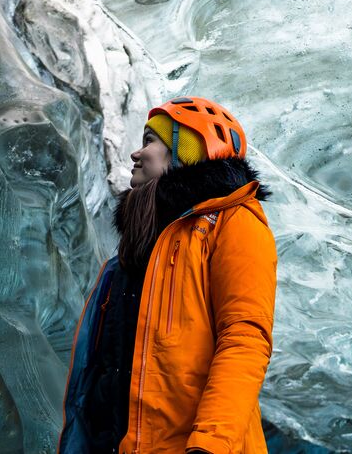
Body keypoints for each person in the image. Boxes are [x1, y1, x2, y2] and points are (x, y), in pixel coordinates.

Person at [57, 96, 277, 454]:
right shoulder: (132, 254)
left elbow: (244, 339)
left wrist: (210, 446)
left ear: (184, 150)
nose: (135, 153)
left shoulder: (234, 222)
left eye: (149, 141)